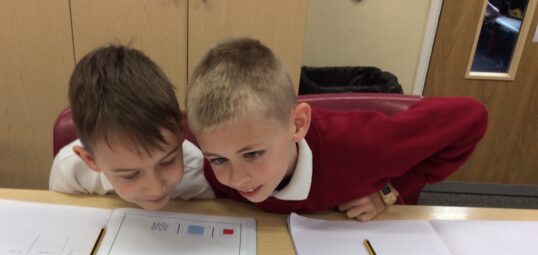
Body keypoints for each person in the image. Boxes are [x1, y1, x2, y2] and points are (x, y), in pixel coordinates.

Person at [185, 38, 488, 221]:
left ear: (297, 124)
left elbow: (471, 117)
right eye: (219, 159)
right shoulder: (214, 150)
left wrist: (389, 192)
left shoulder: (364, 146)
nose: (236, 178)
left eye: (252, 154)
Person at [49, 45, 213, 210]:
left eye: (167, 161)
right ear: (91, 160)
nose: (155, 188)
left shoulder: (197, 174)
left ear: (181, 128)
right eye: (129, 175)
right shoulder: (70, 171)